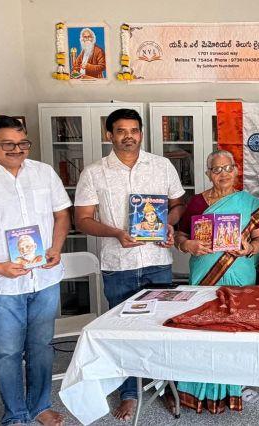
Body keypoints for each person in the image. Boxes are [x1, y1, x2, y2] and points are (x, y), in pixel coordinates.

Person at [0, 116, 71, 426]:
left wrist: (57, 247)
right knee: (8, 352)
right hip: (1, 283)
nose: (17, 150)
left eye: (22, 143)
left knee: (41, 347)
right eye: (8, 144)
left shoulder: (44, 173)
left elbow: (62, 216)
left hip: (44, 277)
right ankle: (15, 414)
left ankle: (40, 406)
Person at [73, 108, 186, 421]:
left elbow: (177, 205)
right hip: (117, 262)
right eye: (121, 130)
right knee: (122, 330)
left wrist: (170, 224)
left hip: (157, 261)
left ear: (141, 133)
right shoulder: (94, 172)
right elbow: (81, 219)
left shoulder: (161, 166)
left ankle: (166, 386)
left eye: (134, 130)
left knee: (163, 328)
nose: (128, 136)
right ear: (109, 135)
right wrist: (114, 233)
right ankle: (130, 393)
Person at [169, 150, 259, 414]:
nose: (223, 174)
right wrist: (187, 243)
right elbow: (179, 236)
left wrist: (249, 248)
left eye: (228, 168)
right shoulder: (196, 204)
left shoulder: (248, 202)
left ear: (236, 170)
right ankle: (196, 388)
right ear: (208, 173)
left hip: (239, 275)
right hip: (204, 276)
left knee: (236, 331)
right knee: (203, 329)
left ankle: (235, 386)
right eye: (216, 169)